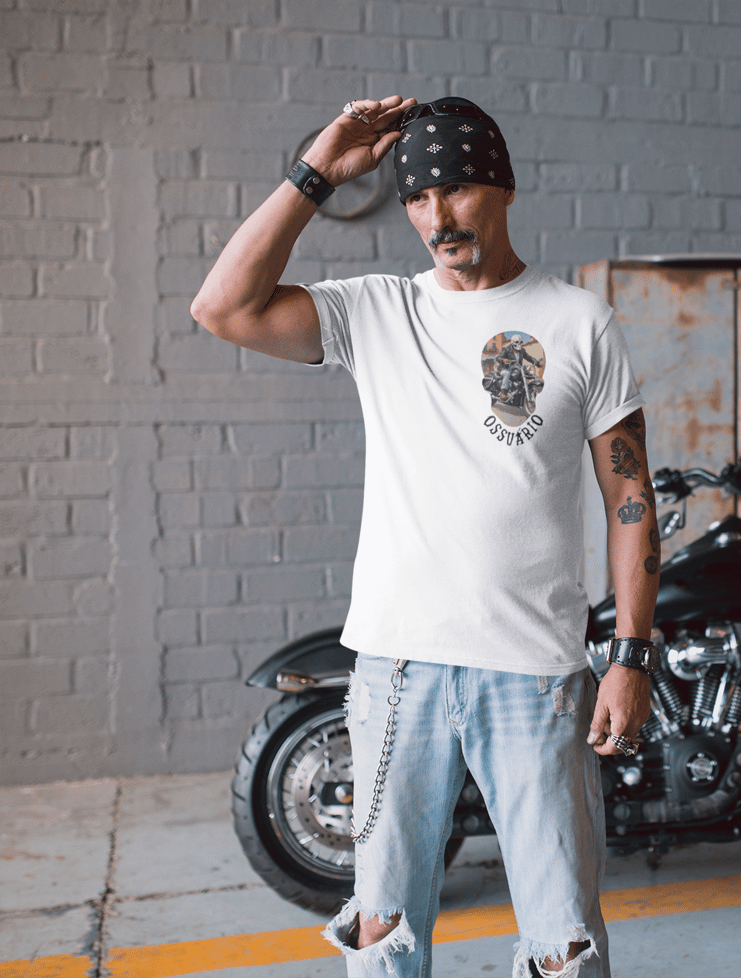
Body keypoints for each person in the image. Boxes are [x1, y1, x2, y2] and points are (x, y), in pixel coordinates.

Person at [190, 94, 660, 978]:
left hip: (535, 675)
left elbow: (629, 494)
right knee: (382, 927)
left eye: (457, 189)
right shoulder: (378, 312)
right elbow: (222, 308)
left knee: (563, 941)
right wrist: (317, 172)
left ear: (504, 187)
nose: (437, 217)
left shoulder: (579, 321)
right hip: (397, 676)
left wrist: (631, 655)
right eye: (416, 197)